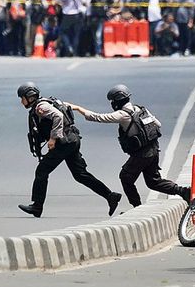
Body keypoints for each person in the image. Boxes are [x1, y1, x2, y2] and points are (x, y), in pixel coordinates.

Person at [69, 85, 190, 209]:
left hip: (141, 154)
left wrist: (78, 108)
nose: (112, 104)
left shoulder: (123, 114)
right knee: (154, 182)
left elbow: (98, 118)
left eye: (113, 101)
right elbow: (158, 124)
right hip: (154, 150)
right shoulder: (141, 109)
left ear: (117, 101)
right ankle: (184, 191)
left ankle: (137, 207)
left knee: (125, 177)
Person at [16, 83, 122, 218]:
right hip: (72, 139)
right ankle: (110, 196)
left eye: (22, 98)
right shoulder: (49, 101)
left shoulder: (41, 107)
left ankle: (37, 206)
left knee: (42, 171)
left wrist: (53, 138)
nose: (21, 101)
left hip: (64, 142)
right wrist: (77, 108)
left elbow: (58, 116)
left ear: (30, 97)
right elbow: (66, 106)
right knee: (80, 174)